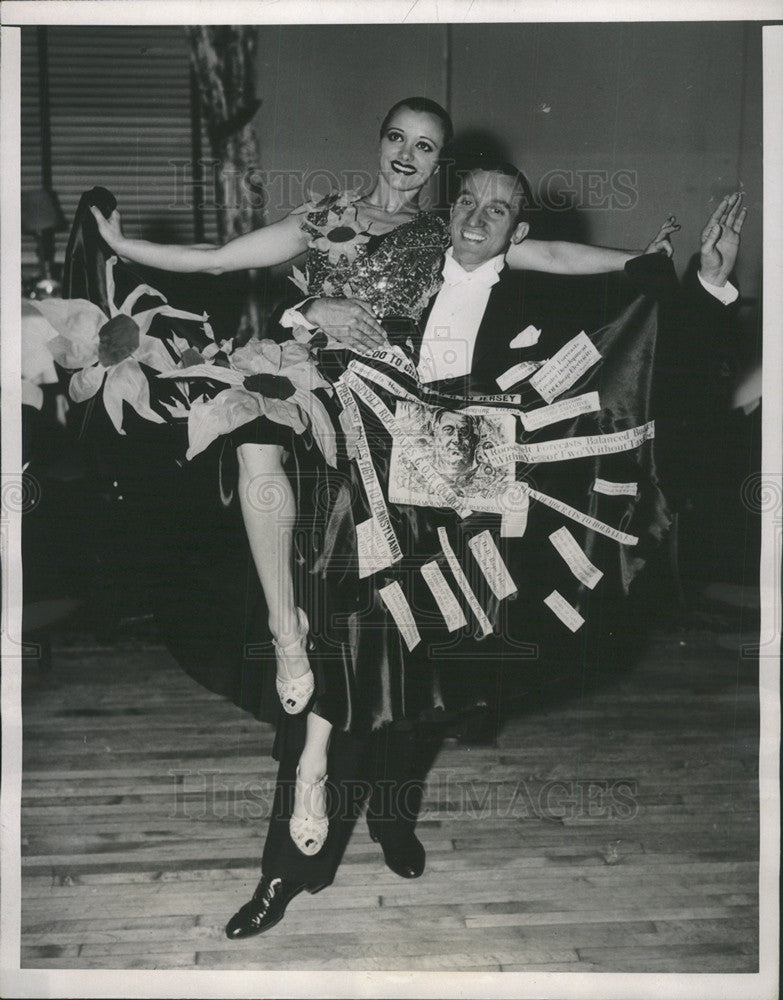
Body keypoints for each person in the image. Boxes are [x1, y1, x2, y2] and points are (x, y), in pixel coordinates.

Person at [89, 98, 678, 856]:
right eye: (398, 138)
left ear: (440, 164)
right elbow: (214, 258)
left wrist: (647, 259)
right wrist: (124, 242)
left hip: (402, 422)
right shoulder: (322, 215)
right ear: (379, 143)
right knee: (253, 437)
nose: (407, 156)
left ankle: (378, 805)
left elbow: (551, 255)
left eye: (426, 148)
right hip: (315, 398)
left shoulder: (446, 232)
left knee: (403, 628)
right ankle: (284, 636)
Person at [221, 159, 744, 939]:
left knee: (425, 682)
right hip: (362, 497)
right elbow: (303, 312)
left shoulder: (542, 297)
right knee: (338, 664)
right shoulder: (400, 263)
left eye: (496, 211)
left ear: (517, 233)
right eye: (464, 200)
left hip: (471, 510)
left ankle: (391, 823)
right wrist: (316, 308)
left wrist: (706, 286)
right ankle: (283, 871)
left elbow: (645, 351)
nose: (473, 218)